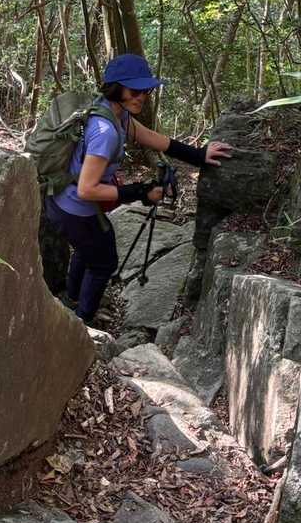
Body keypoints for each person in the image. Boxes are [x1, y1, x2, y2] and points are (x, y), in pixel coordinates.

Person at [45, 53, 234, 325]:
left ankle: (71, 302)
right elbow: (87, 189)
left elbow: (154, 138)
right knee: (104, 261)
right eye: (134, 90)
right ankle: (80, 325)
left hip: (64, 200)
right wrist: (140, 192)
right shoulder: (105, 131)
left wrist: (199, 155)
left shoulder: (115, 113)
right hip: (73, 206)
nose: (142, 96)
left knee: (90, 250)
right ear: (116, 88)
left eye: (145, 90)